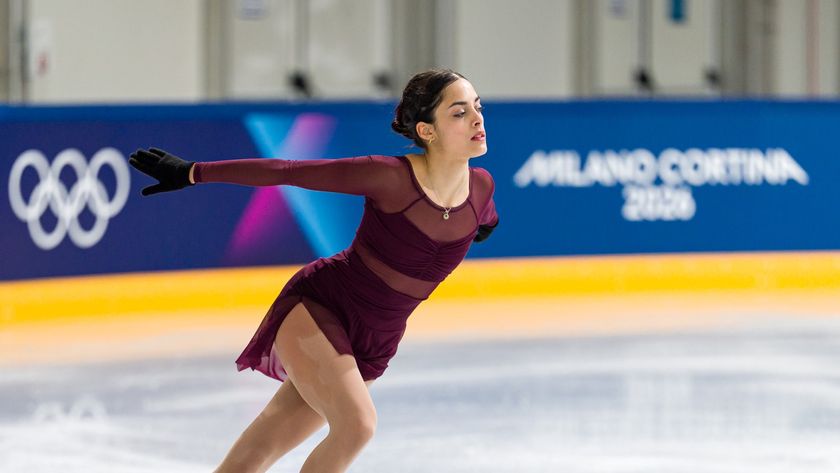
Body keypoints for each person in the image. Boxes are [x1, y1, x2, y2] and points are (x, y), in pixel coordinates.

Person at [129, 69, 499, 473]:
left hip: (378, 341)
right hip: (323, 308)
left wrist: (470, 230)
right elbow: (289, 171)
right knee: (356, 427)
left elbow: (483, 220)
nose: (478, 119)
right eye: (459, 113)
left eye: (477, 108)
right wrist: (193, 172)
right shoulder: (389, 176)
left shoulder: (481, 190)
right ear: (427, 131)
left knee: (257, 452)